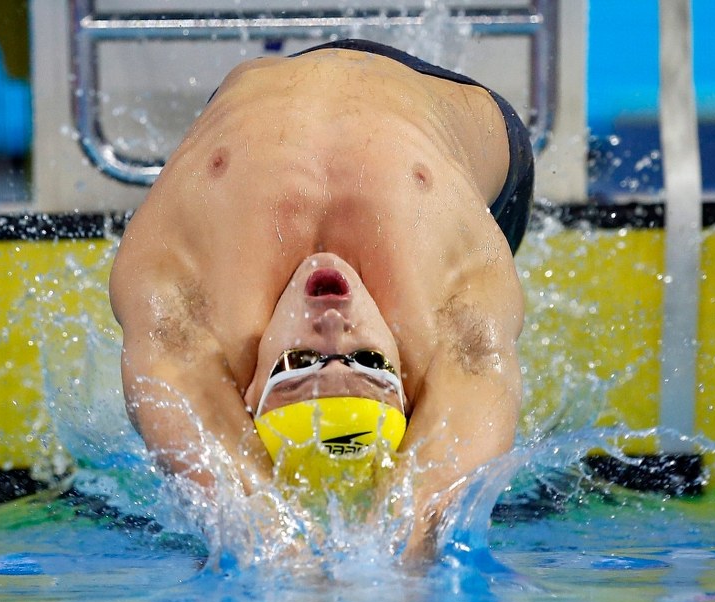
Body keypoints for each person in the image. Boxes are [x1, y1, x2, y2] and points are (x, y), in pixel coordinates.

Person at [109, 39, 533, 560]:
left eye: (299, 362)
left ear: (247, 387)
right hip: (458, 117)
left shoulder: (202, 317)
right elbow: (424, 521)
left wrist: (278, 542)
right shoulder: (439, 321)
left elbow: (184, 403)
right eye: (368, 361)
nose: (331, 326)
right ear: (408, 386)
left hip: (256, 100)